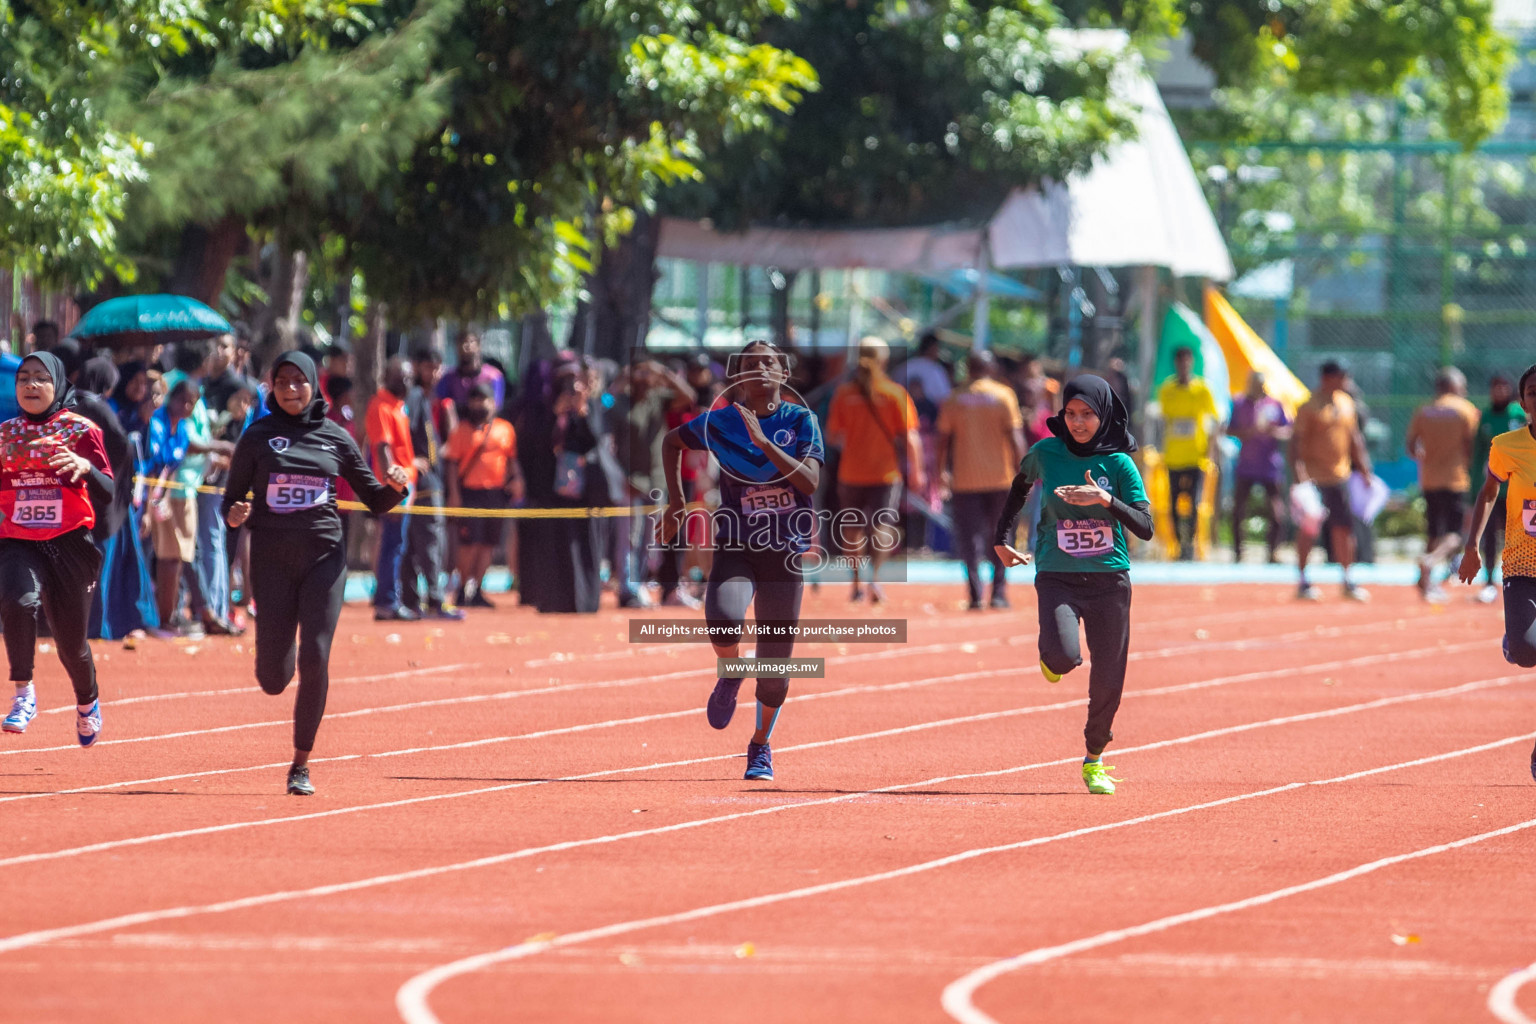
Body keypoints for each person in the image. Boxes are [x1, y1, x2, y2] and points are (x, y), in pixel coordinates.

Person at [222, 352, 408, 795]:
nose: (290, 390)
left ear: (313, 387)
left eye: (299, 382)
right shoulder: (257, 436)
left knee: (316, 655)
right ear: (271, 387)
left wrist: (397, 488)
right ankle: (273, 661)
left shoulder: (336, 438)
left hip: (324, 558)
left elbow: (376, 501)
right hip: (270, 560)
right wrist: (236, 514)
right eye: (282, 382)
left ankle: (300, 765)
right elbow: (229, 503)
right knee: (273, 678)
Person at [660, 340, 825, 782]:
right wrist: (677, 503)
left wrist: (763, 442)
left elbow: (808, 481)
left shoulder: (801, 420)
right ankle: (732, 671)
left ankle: (760, 746)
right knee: (723, 620)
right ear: (740, 377)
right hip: (736, 544)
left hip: (785, 553)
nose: (759, 369)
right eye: (750, 364)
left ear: (782, 373)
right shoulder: (721, 422)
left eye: (767, 362)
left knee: (773, 673)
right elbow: (671, 441)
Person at [992, 375, 1153, 795]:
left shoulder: (1118, 464)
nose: (1078, 422)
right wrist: (1002, 540)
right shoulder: (1046, 452)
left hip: (1109, 580)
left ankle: (1094, 757)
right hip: (1058, 575)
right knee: (1064, 658)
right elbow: (1019, 487)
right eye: (1071, 413)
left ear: (1104, 416)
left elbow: (1146, 526)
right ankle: (1053, 655)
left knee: (1109, 676)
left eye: (1087, 414)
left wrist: (1104, 500)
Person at [0, 352, 113, 745]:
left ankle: (87, 702)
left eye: (40, 378)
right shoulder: (5, 434)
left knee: (71, 645)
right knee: (18, 600)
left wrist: (86, 468)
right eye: (24, 378)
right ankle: (23, 693)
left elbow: (110, 490)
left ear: (58, 384)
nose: (31, 385)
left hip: (70, 544)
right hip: (19, 540)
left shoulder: (80, 429)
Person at [1457, 363, 1536, 780]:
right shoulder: (1507, 445)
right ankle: (1515, 640)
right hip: (1523, 565)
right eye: (1533, 392)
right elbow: (1489, 492)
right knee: (1526, 653)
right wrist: (1471, 547)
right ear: (1523, 402)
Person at [825, 337, 925, 603]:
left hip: (851, 473)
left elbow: (833, 436)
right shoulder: (894, 393)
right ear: (884, 360)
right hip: (885, 474)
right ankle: (875, 579)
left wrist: (857, 442)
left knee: (852, 530)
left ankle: (856, 583)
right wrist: (917, 472)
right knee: (881, 525)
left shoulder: (844, 394)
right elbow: (911, 437)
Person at [938, 350, 1025, 610]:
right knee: (1001, 537)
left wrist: (940, 471)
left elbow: (942, 440)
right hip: (1001, 479)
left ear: (968, 369)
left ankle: (975, 594)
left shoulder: (954, 399)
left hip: (965, 480)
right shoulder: (1003, 396)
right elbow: (1015, 437)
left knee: (969, 540)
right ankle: (998, 593)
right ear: (991, 368)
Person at [1291, 360, 1371, 601]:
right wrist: (1300, 477)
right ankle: (1303, 581)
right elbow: (1296, 444)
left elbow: (1355, 439)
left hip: (1340, 477)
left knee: (1344, 528)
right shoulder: (1309, 406)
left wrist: (1365, 470)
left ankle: (1347, 580)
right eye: (1341, 376)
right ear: (1327, 377)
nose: (1346, 381)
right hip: (1314, 479)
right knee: (1309, 530)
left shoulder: (1347, 404)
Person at [1405, 367, 1480, 602]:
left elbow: (1410, 445)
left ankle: (1424, 583)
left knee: (1433, 532)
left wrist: (1427, 458)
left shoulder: (1424, 410)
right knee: (1455, 535)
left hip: (1429, 478)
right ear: (1454, 387)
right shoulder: (1466, 410)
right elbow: (1472, 446)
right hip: (1456, 479)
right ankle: (1429, 562)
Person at [445, 382, 523, 608]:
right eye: (475, 399)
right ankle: (461, 589)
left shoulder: (505, 428)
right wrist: (454, 495)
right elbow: (451, 463)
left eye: (484, 399)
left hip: (496, 494)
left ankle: (477, 588)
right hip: (470, 493)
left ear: (494, 402)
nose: (480, 404)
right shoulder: (461, 431)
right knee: (468, 544)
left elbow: (511, 459)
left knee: (488, 544)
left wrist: (517, 480)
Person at [401, 346, 462, 621]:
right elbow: (402, 429)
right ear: (416, 367)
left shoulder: (427, 397)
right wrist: (410, 460)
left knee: (417, 544)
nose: (433, 373)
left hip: (428, 479)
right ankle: (435, 599)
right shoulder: (414, 396)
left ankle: (414, 599)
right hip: (424, 482)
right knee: (429, 543)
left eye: (437, 367)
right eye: (428, 367)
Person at [1156, 346, 1220, 560]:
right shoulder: (1167, 390)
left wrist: (1211, 449)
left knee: (1193, 502)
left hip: (1195, 456)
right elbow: (1162, 421)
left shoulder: (1202, 390)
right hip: (1174, 456)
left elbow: (1215, 420)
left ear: (1191, 363)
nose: (1184, 366)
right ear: (1176, 364)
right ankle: (1176, 544)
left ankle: (1189, 544)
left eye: (1187, 361)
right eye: (1180, 362)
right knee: (1173, 502)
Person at [366, 357, 418, 621]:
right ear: (387, 375)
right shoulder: (381, 406)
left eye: (408, 377)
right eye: (400, 376)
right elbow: (382, 450)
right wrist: (393, 491)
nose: (406, 382)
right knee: (392, 546)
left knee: (396, 545)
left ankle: (389, 598)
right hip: (395, 488)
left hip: (406, 485)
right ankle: (387, 601)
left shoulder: (399, 407)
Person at [1472, 373, 1528, 603]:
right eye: (1496, 387)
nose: (1499, 391)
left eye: (1504, 387)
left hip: (1520, 490)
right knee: (1491, 536)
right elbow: (1477, 453)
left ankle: (1524, 581)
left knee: (1525, 535)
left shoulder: (1518, 413)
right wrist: (1477, 484)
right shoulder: (1484, 416)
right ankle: (1488, 582)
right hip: (1495, 490)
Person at [1227, 371, 1292, 564]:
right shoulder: (1239, 404)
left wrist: (1274, 432)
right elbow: (1229, 428)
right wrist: (1245, 433)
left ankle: (1273, 551)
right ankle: (1238, 551)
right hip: (1246, 464)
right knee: (1238, 509)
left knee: (1276, 511)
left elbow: (1289, 430)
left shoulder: (1275, 404)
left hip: (1269, 465)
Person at [437, 330, 506, 412]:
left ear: (478, 345)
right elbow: (441, 405)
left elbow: (496, 406)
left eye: (470, 342)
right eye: (461, 342)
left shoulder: (493, 376)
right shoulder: (448, 378)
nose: (465, 346)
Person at [902, 332, 953, 405]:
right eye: (937, 348)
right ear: (932, 348)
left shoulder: (907, 366)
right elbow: (945, 398)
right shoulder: (935, 370)